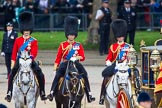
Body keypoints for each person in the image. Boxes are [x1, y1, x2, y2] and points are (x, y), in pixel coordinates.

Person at [47, 16, 95, 103]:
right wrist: (55, 68)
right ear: (67, 35)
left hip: (76, 63)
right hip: (65, 64)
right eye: (70, 35)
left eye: (73, 35)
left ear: (75, 35)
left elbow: (83, 57)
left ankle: (89, 94)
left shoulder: (78, 45)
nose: (71, 36)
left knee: (85, 75)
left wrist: (76, 58)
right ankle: (52, 92)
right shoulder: (62, 45)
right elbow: (58, 58)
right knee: (58, 76)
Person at [5, 11, 47, 102]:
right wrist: (13, 62)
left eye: (28, 30)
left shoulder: (33, 40)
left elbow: (35, 51)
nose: (26, 32)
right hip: (19, 59)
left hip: (30, 60)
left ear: (30, 31)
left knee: (40, 74)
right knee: (11, 74)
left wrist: (31, 57)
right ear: (22, 30)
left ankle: (42, 92)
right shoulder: (18, 40)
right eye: (25, 30)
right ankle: (9, 92)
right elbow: (14, 52)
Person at [99, 19, 130, 105]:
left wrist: (128, 63)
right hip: (115, 65)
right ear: (116, 37)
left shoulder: (128, 47)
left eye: (121, 36)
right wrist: (108, 62)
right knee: (105, 77)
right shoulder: (113, 46)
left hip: (126, 65)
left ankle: (137, 91)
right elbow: (109, 57)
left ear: (123, 36)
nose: (120, 38)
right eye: (118, 37)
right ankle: (102, 95)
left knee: (135, 74)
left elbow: (131, 58)